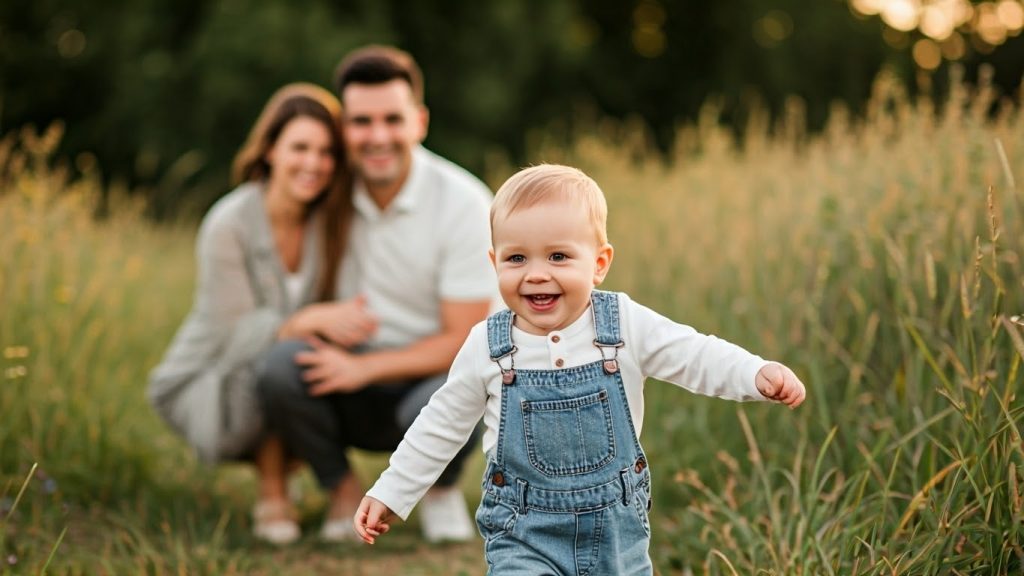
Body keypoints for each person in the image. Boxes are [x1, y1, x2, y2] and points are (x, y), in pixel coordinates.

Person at [354, 164, 807, 574]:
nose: (535, 274)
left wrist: (753, 373)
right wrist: (393, 492)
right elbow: (441, 423)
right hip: (522, 531)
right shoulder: (487, 345)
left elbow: (693, 354)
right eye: (516, 258)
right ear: (494, 263)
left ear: (599, 264)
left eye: (558, 257)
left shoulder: (624, 324)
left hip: (616, 533)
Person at [257, 45, 496, 544]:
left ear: (420, 122)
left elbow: (465, 337)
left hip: (428, 385)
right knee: (281, 366)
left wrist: (364, 368)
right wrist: (316, 325)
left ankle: (441, 487)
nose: (378, 136)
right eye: (361, 122)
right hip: (346, 383)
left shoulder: (463, 202)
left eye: (393, 118)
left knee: (469, 380)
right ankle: (341, 489)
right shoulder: (325, 191)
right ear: (344, 128)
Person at [148, 82, 357, 545]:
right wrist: (304, 321)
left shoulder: (331, 220)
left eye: (326, 152)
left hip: (289, 365)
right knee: (276, 358)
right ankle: (273, 488)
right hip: (213, 372)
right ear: (269, 151)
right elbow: (232, 331)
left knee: (298, 363)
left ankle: (324, 481)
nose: (314, 164)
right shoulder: (229, 222)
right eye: (300, 147)